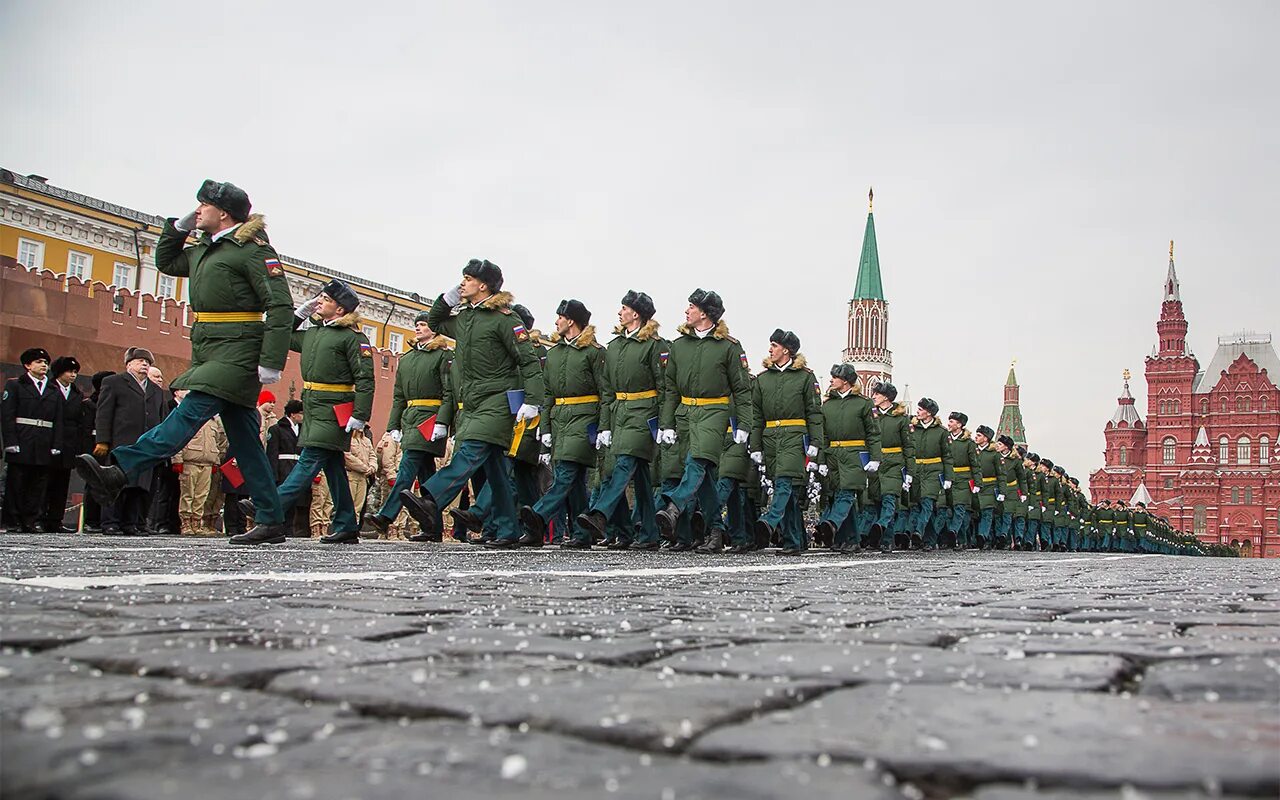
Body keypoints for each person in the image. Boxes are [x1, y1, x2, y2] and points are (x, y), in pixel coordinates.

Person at [75, 179, 295, 541]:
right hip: (210, 347)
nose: (197, 212)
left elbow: (280, 305)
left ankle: (121, 469)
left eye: (203, 206)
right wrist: (176, 229)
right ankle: (271, 518)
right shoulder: (204, 249)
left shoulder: (252, 251)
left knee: (188, 412)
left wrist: (270, 360)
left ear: (223, 213)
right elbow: (166, 261)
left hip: (237, 351)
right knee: (245, 438)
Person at [399, 259, 546, 548]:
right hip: (472, 401)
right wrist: (447, 299)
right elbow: (436, 321)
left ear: (483, 285)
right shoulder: (465, 318)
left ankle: (431, 499)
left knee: (471, 450)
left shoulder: (506, 319)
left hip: (497, 399)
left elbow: (527, 360)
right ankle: (506, 530)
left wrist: (533, 401)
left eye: (467, 279)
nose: (462, 283)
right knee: (495, 470)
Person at [235, 279, 375, 544]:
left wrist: (360, 414)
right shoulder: (314, 333)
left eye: (326, 299)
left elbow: (366, 379)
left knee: (309, 459)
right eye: (319, 296)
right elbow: (281, 335)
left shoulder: (352, 338)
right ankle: (346, 523)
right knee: (334, 466)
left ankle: (268, 510)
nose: (319, 301)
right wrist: (298, 315)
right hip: (313, 404)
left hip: (335, 409)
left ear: (341, 310)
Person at [654, 289, 752, 550]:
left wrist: (744, 424)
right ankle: (717, 532)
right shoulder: (679, 346)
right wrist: (667, 424)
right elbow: (671, 388)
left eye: (691, 306)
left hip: (714, 412)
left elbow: (742, 389)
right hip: (685, 413)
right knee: (706, 478)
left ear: (705, 313)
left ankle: (673, 508)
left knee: (695, 462)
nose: (686, 310)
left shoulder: (729, 346)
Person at [575, 291, 666, 551]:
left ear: (635, 314)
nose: (620, 312)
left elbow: (664, 388)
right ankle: (645, 533)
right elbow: (606, 390)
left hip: (644, 412)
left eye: (624, 308)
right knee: (641, 480)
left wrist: (664, 422)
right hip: (619, 414)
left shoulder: (654, 345)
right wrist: (604, 424)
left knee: (623, 464)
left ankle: (600, 513)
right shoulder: (614, 346)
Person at [517, 299, 606, 549]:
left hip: (584, 418)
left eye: (560, 316)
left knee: (565, 473)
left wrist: (602, 426)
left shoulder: (594, 352)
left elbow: (604, 392)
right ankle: (582, 533)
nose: (556, 321)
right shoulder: (554, 353)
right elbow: (547, 394)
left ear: (571, 321)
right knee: (575, 481)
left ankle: (537, 515)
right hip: (559, 421)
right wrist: (545, 428)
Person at [367, 311, 454, 538]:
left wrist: (443, 421)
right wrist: (393, 425)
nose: (418, 328)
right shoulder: (406, 359)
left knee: (406, 468)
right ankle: (432, 528)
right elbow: (398, 397)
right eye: (417, 324)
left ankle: (386, 516)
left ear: (434, 330)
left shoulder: (443, 357)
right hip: (411, 417)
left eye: (423, 324)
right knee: (426, 475)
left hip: (430, 419)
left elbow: (449, 393)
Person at [747, 329, 822, 556]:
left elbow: (814, 413)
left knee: (784, 481)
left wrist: (816, 441)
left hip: (794, 436)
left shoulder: (805, 378)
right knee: (786, 491)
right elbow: (756, 416)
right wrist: (757, 445)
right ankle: (792, 541)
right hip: (771, 438)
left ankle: (769, 520)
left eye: (774, 345)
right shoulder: (762, 380)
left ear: (786, 350)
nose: (770, 349)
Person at [94, 348, 166, 535]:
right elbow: (104, 413)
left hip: (145, 446)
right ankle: (110, 522)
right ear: (128, 364)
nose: (144, 364)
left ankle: (131, 523)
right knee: (117, 484)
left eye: (147, 362)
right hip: (121, 443)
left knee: (139, 487)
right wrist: (102, 440)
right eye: (140, 361)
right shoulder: (114, 382)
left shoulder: (156, 390)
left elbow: (160, 419)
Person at [815, 364, 881, 554]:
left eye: (835, 377)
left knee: (846, 493)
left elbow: (873, 433)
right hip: (833, 454)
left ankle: (832, 524)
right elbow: (823, 435)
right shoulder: (828, 405)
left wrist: (875, 457)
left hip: (855, 454)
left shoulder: (864, 404)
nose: (831, 380)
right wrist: (821, 460)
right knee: (839, 495)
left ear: (845, 381)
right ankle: (850, 540)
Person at [1, 347, 62, 532]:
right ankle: (13, 521)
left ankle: (30, 519)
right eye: (38, 362)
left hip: (43, 441)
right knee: (17, 482)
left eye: (45, 362)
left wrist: (56, 444)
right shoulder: (15, 385)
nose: (43, 365)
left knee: (38, 483)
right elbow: (7, 415)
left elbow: (58, 420)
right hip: (23, 439)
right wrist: (11, 442)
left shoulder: (53, 389)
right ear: (27, 365)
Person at [222, 390, 278, 538]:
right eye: (269, 402)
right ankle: (232, 526)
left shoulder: (269, 419)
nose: (272, 405)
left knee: (243, 494)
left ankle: (241, 525)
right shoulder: (246, 414)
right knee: (233, 495)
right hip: (236, 456)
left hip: (252, 457)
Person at [172, 389, 227, 535]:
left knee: (202, 495)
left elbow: (220, 442)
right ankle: (186, 523)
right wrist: (177, 459)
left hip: (208, 462)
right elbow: (178, 439)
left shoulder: (215, 421)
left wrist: (216, 460)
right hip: (190, 461)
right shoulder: (188, 416)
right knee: (188, 494)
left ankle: (197, 523)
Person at [44, 356, 89, 533]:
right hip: (47, 442)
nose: (73, 375)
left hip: (68, 444)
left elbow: (79, 423)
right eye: (69, 371)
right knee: (44, 482)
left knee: (62, 484)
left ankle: (55, 520)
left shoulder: (77, 394)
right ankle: (38, 517)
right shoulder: (48, 389)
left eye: (75, 372)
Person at [868, 382, 911, 553]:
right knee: (878, 499)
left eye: (877, 394)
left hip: (894, 462)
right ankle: (886, 540)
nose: (874, 397)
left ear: (886, 397)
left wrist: (910, 471)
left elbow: (909, 446)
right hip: (875, 461)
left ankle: (881, 525)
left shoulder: (901, 418)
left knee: (889, 498)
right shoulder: (871, 415)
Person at [908, 397, 952, 551]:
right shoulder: (912, 428)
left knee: (927, 501)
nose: (917, 412)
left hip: (934, 470)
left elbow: (947, 456)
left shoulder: (941, 432)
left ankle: (918, 531)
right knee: (919, 503)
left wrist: (948, 477)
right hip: (916, 469)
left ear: (929, 413)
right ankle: (929, 541)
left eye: (921, 409)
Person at [265, 399, 306, 536]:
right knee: (282, 499)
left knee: (293, 502)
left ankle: (289, 529)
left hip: (296, 468)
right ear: (293, 414)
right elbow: (272, 454)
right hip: (283, 469)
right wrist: (273, 475)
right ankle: (277, 527)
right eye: (301, 413)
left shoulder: (302, 430)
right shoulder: (276, 429)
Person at [80, 371, 114, 533]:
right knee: (94, 484)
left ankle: (107, 519)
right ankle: (91, 520)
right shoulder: (89, 404)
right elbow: (86, 430)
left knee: (110, 484)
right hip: (94, 449)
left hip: (112, 448)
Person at [944, 411, 979, 550]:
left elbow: (975, 464)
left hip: (964, 479)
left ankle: (953, 532)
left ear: (959, 425)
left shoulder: (969, 443)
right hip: (948, 477)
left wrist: (977, 483)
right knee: (949, 510)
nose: (949, 424)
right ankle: (962, 539)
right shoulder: (945, 439)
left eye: (952, 421)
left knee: (959, 508)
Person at [971, 424, 1000, 549]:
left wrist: (1001, 491)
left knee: (987, 513)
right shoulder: (972, 450)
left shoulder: (994, 454)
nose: (976, 437)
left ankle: (983, 536)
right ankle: (976, 538)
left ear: (986, 438)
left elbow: (1001, 474)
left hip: (989, 486)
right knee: (975, 515)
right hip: (974, 485)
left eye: (979, 435)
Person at [344, 426, 377, 529]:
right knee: (349, 505)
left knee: (359, 506)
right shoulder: (348, 439)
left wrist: (372, 467)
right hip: (351, 475)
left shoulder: (366, 440)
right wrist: (364, 467)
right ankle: (346, 528)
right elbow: (347, 456)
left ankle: (355, 529)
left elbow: (373, 455)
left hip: (363, 477)